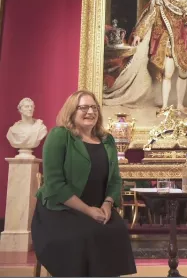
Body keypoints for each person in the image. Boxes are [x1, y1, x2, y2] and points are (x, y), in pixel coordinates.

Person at [31, 90, 136, 277]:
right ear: (72, 111)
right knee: (84, 237)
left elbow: (114, 179)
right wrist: (88, 210)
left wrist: (107, 203)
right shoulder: (59, 136)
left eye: (94, 107)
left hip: (98, 207)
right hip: (60, 210)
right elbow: (55, 184)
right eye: (84, 107)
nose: (90, 112)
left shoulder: (107, 140)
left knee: (116, 231)